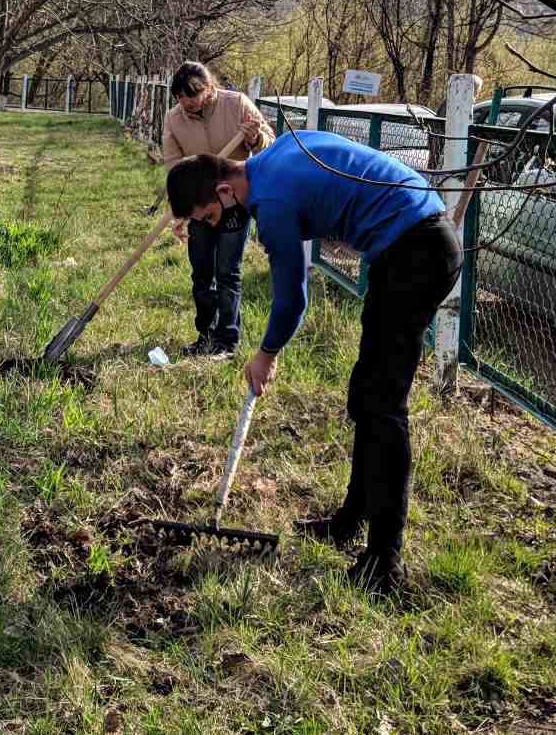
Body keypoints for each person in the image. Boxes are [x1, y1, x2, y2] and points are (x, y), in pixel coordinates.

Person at [165, 130, 462, 594]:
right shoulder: (279, 152)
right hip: (412, 243)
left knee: (383, 406)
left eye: (209, 215)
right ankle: (350, 519)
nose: (216, 224)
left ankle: (385, 562)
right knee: (365, 396)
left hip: (416, 251)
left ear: (225, 191)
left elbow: (291, 300)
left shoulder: (273, 202)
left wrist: (265, 355)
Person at [162, 60, 273, 359]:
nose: (184, 103)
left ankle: (227, 340)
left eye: (190, 96)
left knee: (227, 272)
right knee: (201, 273)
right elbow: (173, 167)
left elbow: (269, 148)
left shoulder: (236, 104)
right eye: (179, 97)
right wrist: (180, 212)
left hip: (234, 203)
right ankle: (206, 335)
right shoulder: (174, 119)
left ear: (209, 90)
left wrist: (254, 137)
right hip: (200, 206)